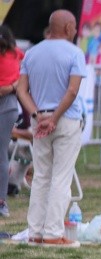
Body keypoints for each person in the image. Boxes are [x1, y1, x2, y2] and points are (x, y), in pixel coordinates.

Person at [15, 9, 87, 248]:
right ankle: (54, 233)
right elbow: (73, 90)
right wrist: (55, 116)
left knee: (41, 176)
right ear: (68, 28)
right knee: (61, 177)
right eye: (74, 27)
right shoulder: (75, 53)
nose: (75, 31)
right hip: (65, 119)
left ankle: (35, 232)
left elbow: (21, 90)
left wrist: (38, 115)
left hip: (40, 120)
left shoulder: (31, 53)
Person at [0, 24, 24, 217]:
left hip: (7, 105)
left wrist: (12, 87)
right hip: (9, 106)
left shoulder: (16, 54)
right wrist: (14, 85)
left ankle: (1, 201)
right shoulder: (16, 53)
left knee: (1, 154)